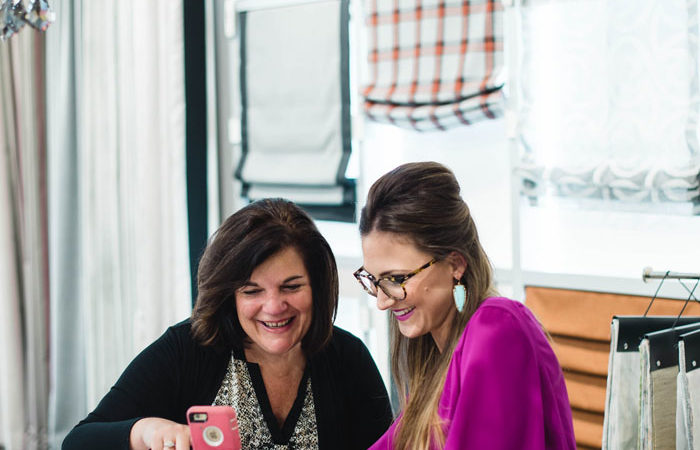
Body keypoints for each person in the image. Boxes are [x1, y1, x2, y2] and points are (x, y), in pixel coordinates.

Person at [63, 198, 392, 450]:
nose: (274, 307)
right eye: (252, 291)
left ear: (317, 287)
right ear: (229, 295)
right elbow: (78, 442)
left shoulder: (347, 358)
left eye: (291, 287)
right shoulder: (188, 350)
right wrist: (145, 431)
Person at [354, 162, 576, 450]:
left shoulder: (497, 329)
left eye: (397, 278)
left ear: (455, 264)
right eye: (374, 279)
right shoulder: (436, 359)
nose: (383, 301)